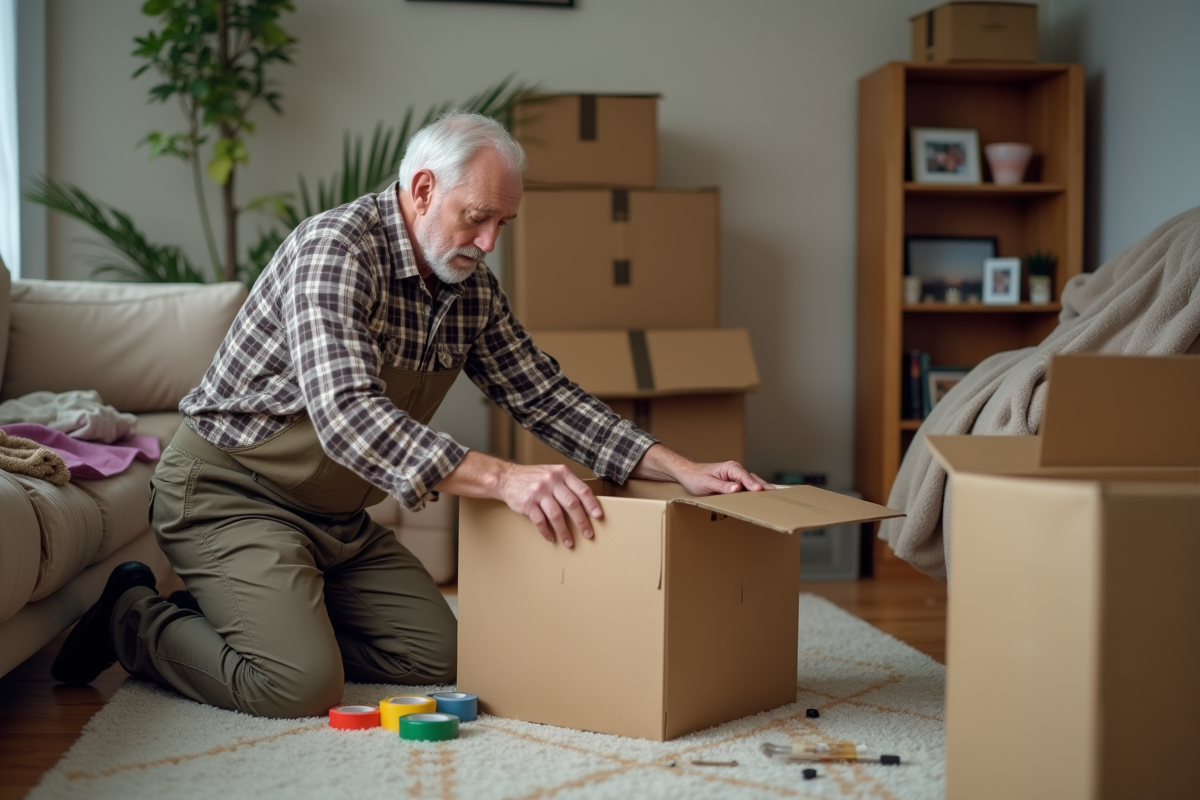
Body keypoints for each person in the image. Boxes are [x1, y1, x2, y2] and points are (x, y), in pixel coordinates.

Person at [51, 112, 771, 717]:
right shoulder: (335, 249)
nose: (489, 242)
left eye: (503, 223)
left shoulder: (469, 287)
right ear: (423, 189)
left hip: (337, 522)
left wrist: (680, 467)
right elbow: (347, 416)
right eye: (477, 216)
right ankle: (133, 619)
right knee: (298, 685)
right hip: (229, 497)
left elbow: (543, 394)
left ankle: (274, 621)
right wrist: (505, 480)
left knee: (448, 656)